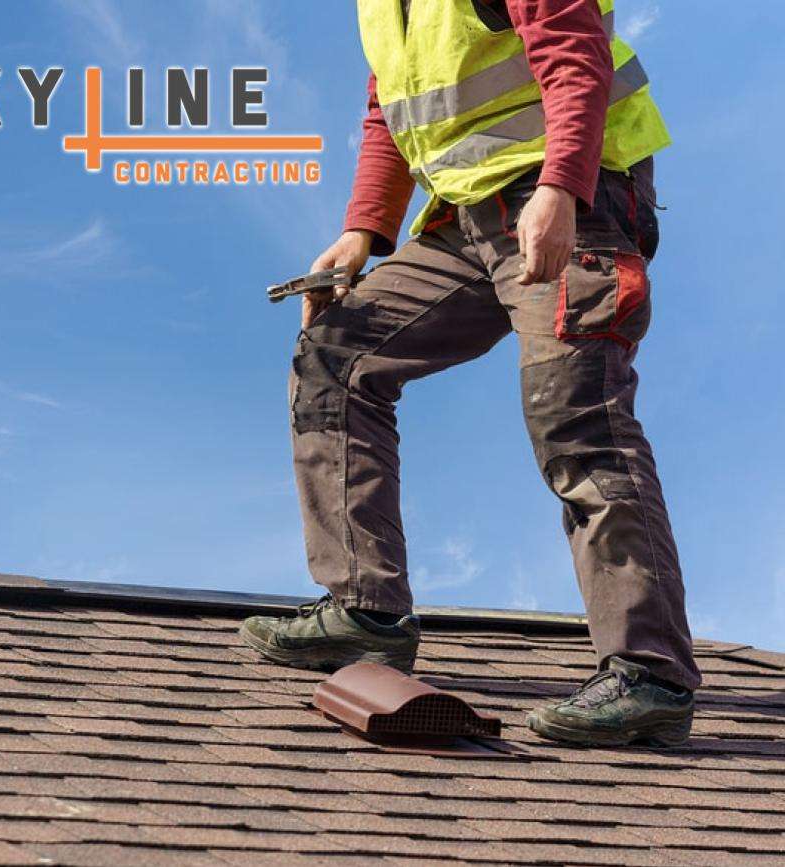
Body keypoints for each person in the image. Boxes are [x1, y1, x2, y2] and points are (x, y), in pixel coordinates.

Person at [240, 0, 701, 747]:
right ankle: (366, 611)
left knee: (576, 413)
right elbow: (390, 107)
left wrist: (562, 185)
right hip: (471, 222)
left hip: (572, 200)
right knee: (336, 355)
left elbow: (576, 55)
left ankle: (652, 674)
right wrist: (362, 231)